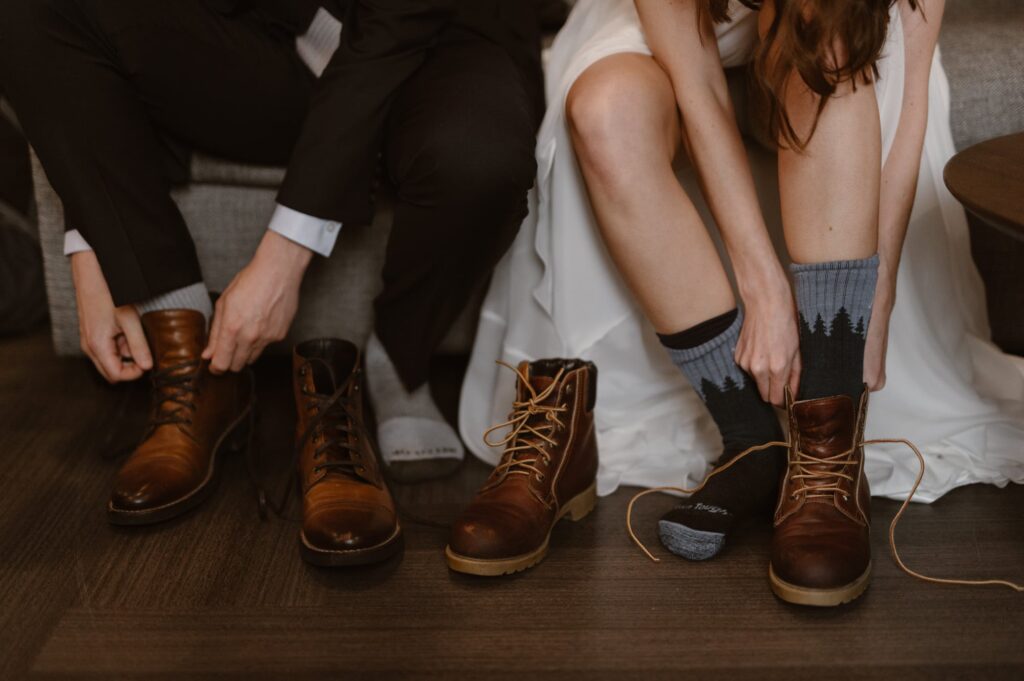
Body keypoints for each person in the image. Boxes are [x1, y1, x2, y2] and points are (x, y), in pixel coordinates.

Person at [459, 0, 1024, 601]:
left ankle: (827, 454)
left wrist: (879, 293)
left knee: (830, 50)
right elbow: (698, 86)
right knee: (607, 110)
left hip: (832, 33)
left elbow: (911, 92)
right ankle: (752, 441)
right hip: (679, 35)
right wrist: (764, 288)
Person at [0, 0, 544, 563]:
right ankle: (188, 357)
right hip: (267, 42)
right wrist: (94, 245)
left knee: (479, 156)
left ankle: (399, 359)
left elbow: (392, 29)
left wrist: (284, 257)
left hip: (436, 47)